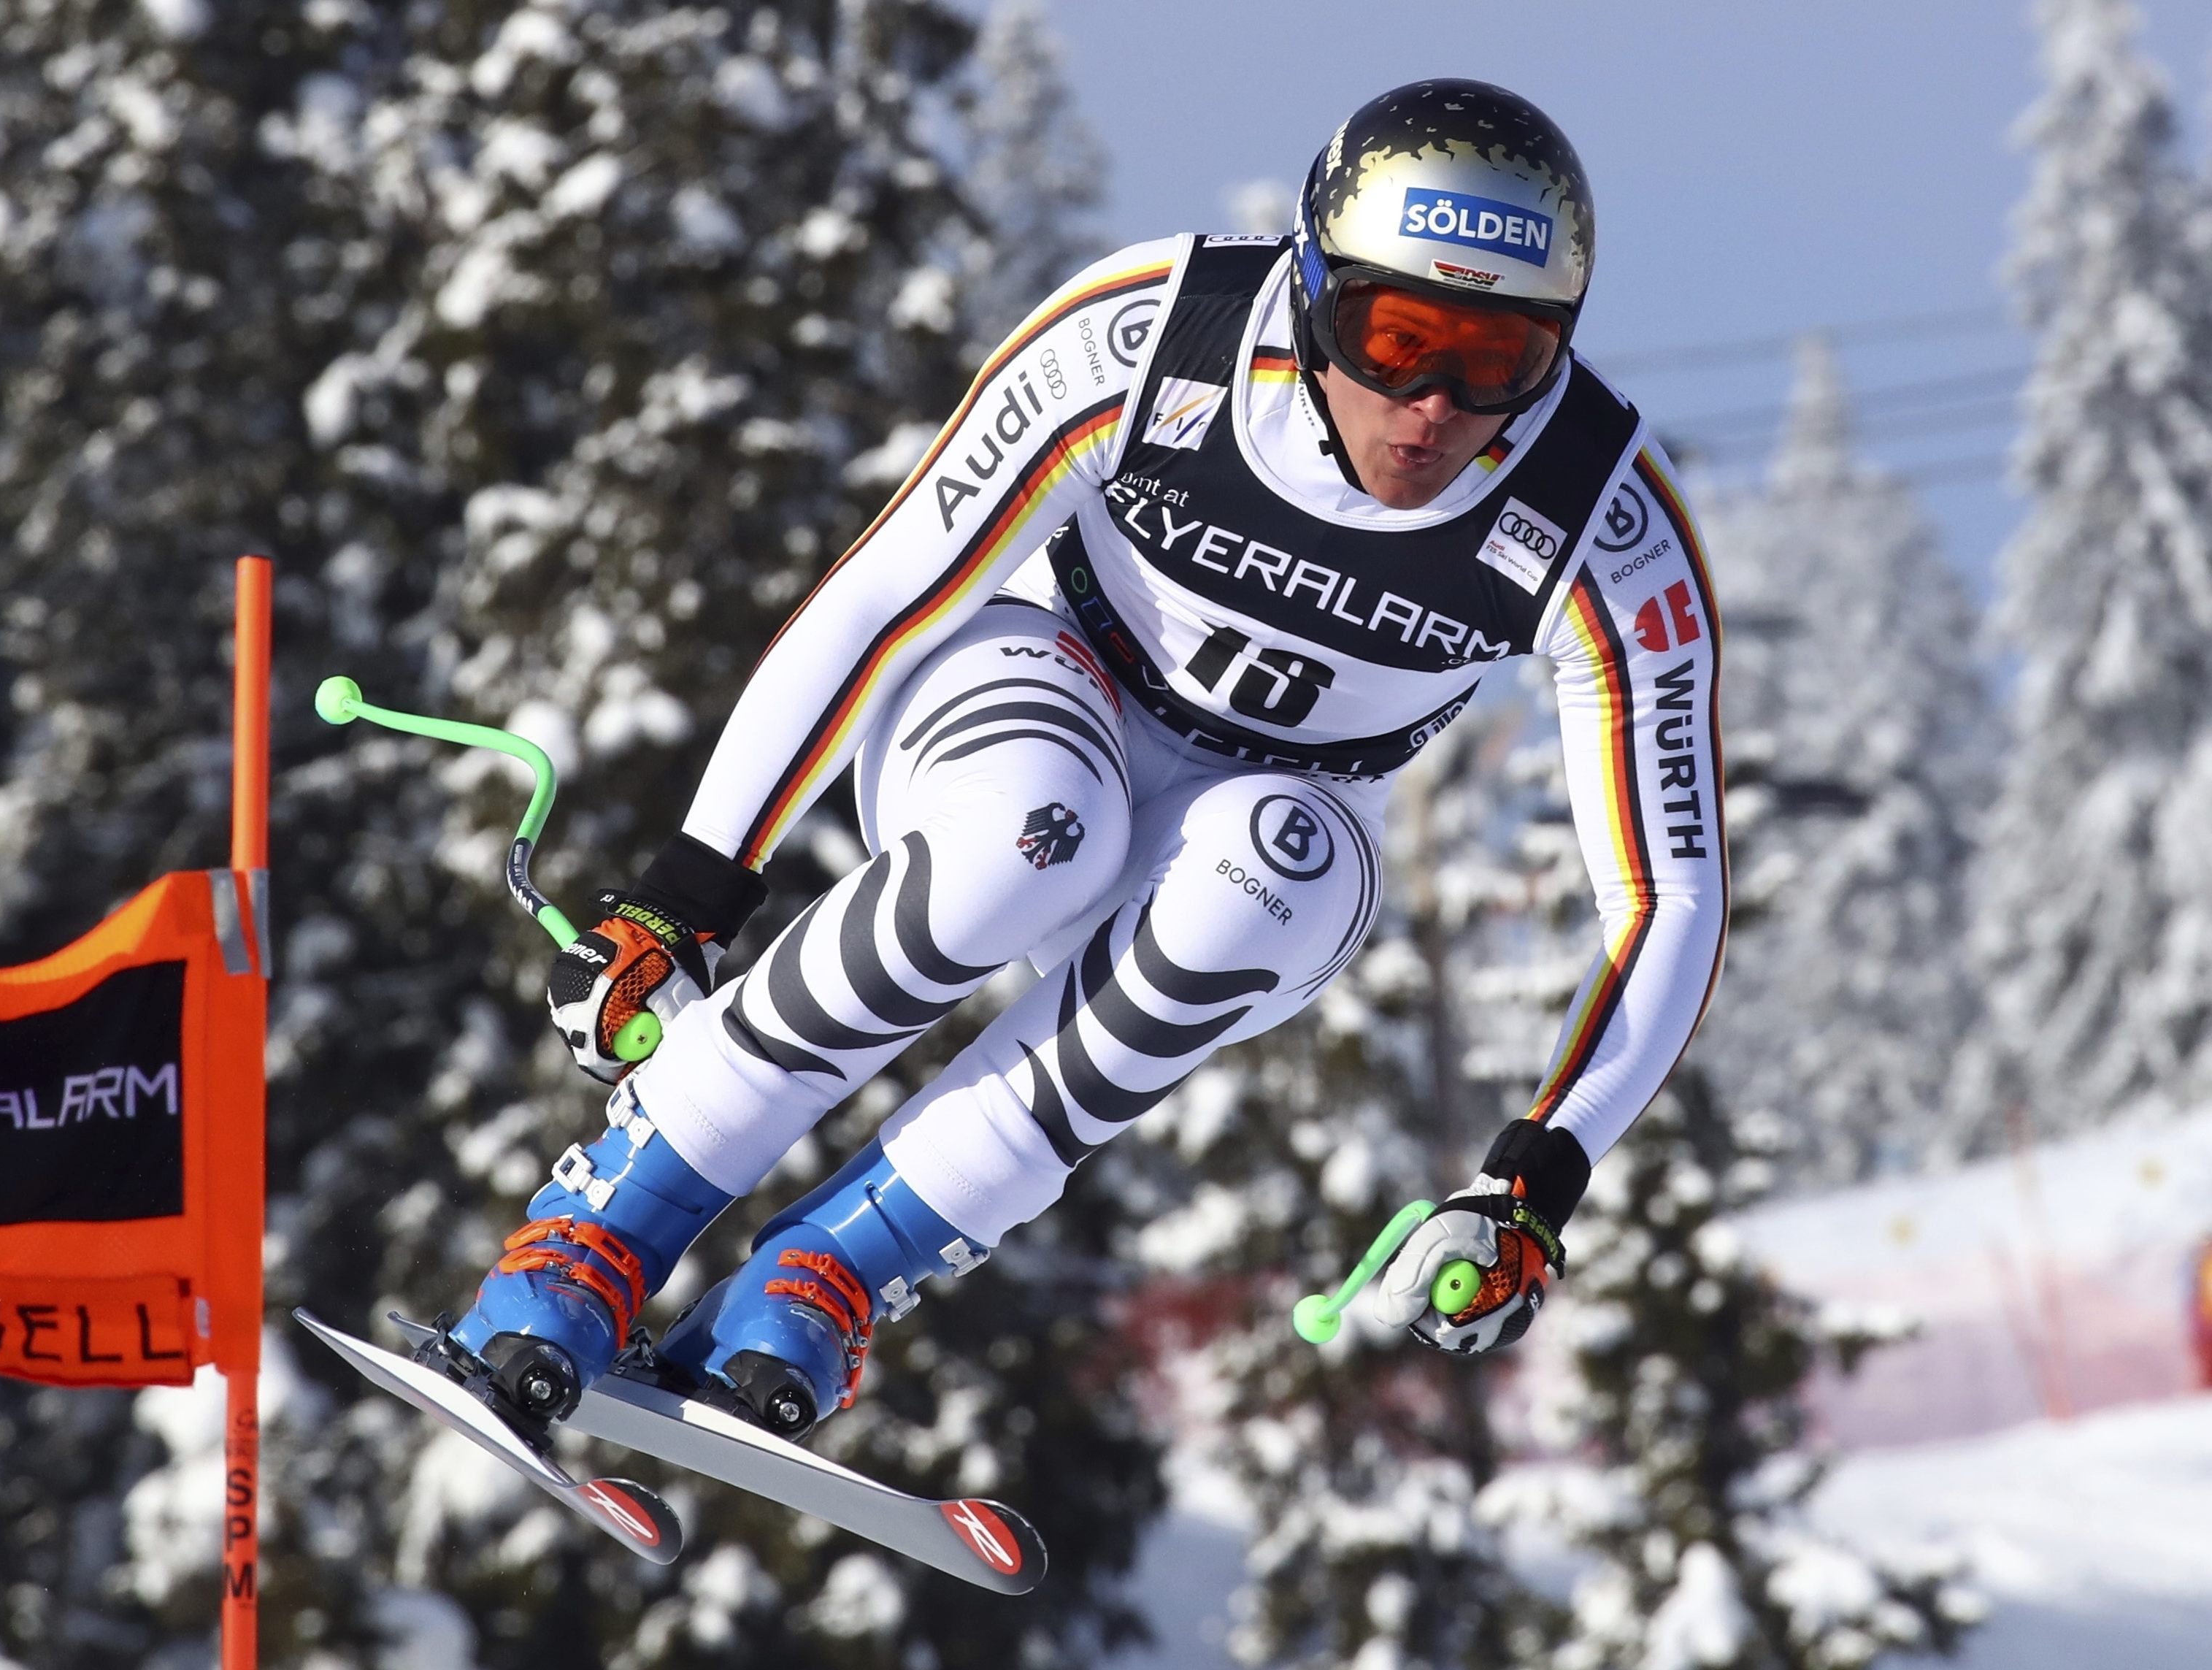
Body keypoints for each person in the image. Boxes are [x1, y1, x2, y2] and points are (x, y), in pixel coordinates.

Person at [423, 78, 1728, 1446]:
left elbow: (1668, 892)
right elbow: (888, 591)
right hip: (1043, 681)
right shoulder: (1160, 337)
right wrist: (688, 895)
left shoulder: (1605, 521)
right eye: (1393, 335)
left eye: (1499, 360)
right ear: (1308, 284)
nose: (1437, 407)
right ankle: (599, 1230)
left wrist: (1534, 1182)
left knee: (1266, 880)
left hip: (1283, 798)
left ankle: (828, 1272)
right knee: (1034, 833)